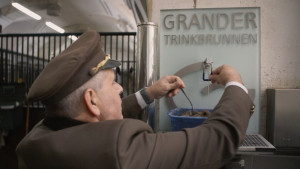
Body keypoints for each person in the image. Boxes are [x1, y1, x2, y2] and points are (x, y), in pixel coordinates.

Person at [16, 30, 254, 169]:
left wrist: (149, 93)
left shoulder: (36, 139)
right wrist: (235, 83)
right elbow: (216, 140)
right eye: (112, 83)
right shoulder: (121, 150)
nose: (120, 88)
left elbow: (93, 124)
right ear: (92, 100)